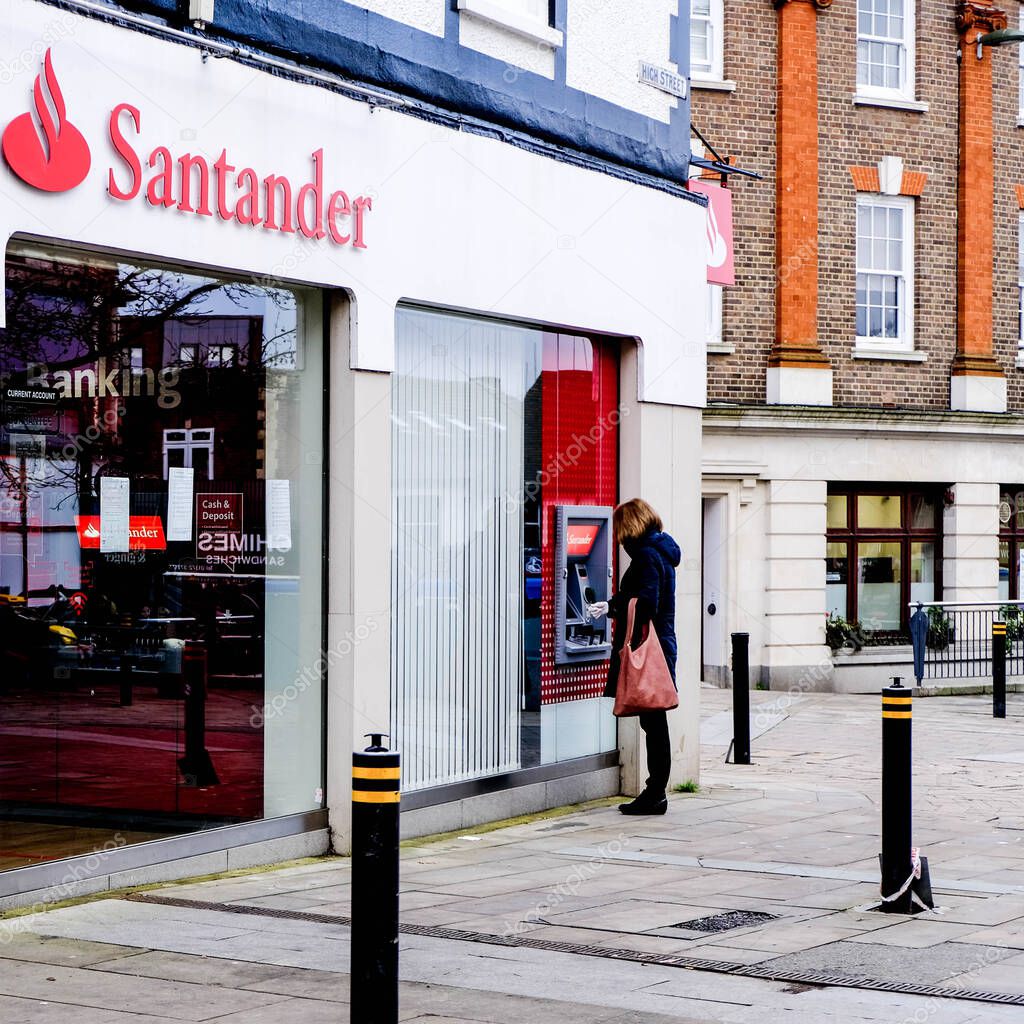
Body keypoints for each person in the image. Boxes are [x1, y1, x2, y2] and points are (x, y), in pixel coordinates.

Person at [588, 498, 680, 816]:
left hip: (646, 650)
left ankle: (655, 794)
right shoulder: (661, 552)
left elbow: (646, 603)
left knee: (654, 725)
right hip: (659, 647)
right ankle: (655, 792)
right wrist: (613, 604)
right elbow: (641, 596)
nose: (618, 536)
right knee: (654, 723)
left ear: (629, 525)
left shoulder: (645, 556)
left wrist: (613, 607)